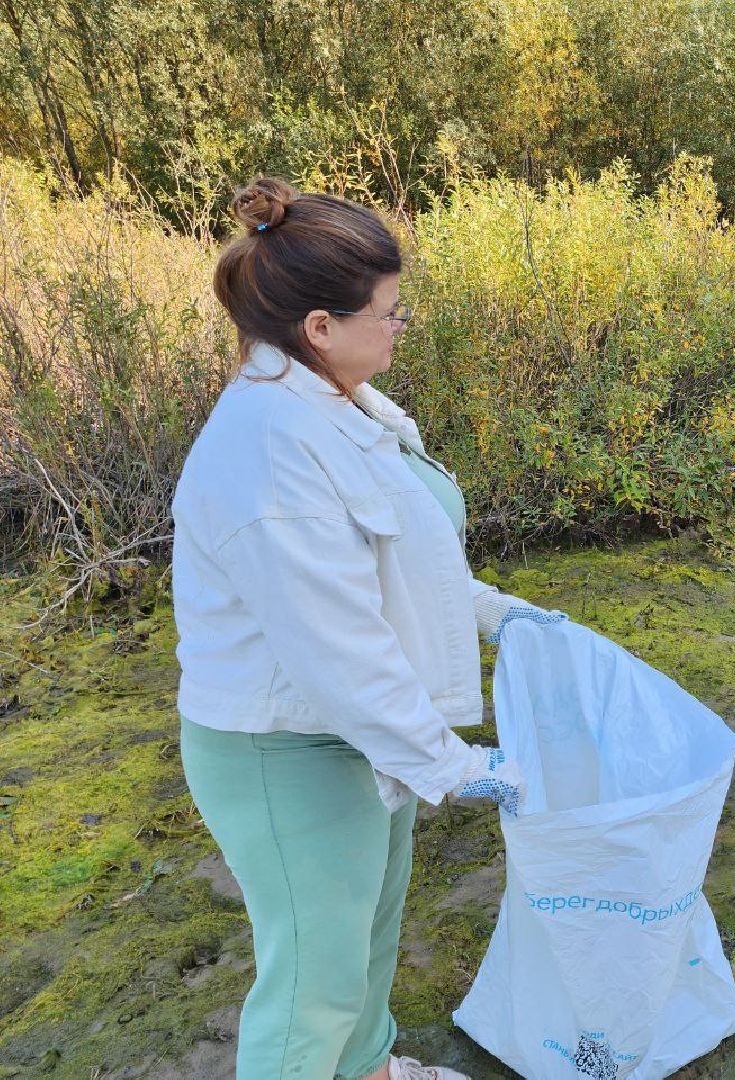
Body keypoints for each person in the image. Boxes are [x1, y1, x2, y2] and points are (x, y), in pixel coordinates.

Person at [173, 178, 563, 1080]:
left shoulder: (342, 401)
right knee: (312, 980)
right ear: (319, 326)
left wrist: (498, 613)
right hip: (286, 751)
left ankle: (371, 1070)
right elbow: (338, 652)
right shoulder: (270, 450)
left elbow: (398, 562)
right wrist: (456, 765)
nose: (399, 327)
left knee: (369, 927)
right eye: (389, 313)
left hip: (355, 737)